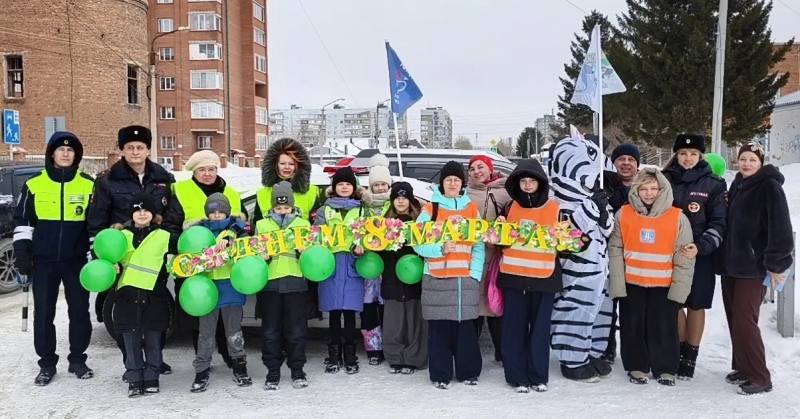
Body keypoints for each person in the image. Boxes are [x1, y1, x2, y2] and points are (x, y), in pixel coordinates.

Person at [13, 131, 94, 386]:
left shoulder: (88, 184)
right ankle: (47, 363)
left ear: (76, 156)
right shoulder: (34, 185)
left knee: (80, 312)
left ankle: (78, 359)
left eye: (71, 151)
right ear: (52, 154)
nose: (66, 153)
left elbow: (93, 225)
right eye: (61, 150)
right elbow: (23, 221)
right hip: (43, 261)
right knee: (44, 314)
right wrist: (23, 254)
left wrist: (95, 255)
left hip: (76, 260)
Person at [609, 168, 696, 387]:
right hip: (632, 283)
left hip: (663, 284)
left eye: (653, 189)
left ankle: (666, 368)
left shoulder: (678, 217)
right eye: (643, 189)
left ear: (662, 190)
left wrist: (679, 289)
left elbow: (684, 257)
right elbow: (615, 250)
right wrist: (618, 285)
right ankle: (637, 365)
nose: (649, 193)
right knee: (632, 325)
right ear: (636, 190)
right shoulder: (623, 214)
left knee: (664, 326)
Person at [719, 143, 793, 395]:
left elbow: (781, 228)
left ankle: (760, 376)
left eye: (752, 159)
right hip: (732, 265)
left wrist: (776, 263)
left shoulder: (769, 187)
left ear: (761, 162)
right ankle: (742, 367)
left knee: (744, 319)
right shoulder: (738, 183)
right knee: (733, 318)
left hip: (754, 266)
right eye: (743, 159)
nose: (746, 164)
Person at [88, 126, 174, 324]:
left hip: (154, 255)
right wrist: (100, 254)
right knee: (125, 314)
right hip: (123, 255)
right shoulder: (107, 180)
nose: (135, 152)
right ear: (122, 150)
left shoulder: (164, 179)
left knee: (156, 311)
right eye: (130, 147)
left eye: (140, 147)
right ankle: (130, 351)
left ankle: (153, 349)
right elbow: (96, 220)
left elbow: (170, 215)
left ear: (148, 150)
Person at [164, 150, 241, 368]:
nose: (207, 174)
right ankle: (203, 359)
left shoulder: (232, 193)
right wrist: (187, 248)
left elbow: (244, 227)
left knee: (226, 316)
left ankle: (229, 356)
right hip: (194, 266)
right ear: (194, 171)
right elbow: (171, 226)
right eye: (202, 170)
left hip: (225, 267)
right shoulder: (180, 191)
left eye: (211, 169)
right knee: (199, 316)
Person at [548, 132, 614, 382]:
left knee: (599, 310)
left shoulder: (597, 197)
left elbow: (608, 230)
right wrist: (590, 209)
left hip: (600, 267)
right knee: (575, 307)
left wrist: (604, 215)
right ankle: (573, 358)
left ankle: (591, 352)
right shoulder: (558, 203)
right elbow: (565, 239)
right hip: (577, 270)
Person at [414, 161, 485, 390]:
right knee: (440, 330)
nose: (452, 183)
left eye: (456, 179)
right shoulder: (430, 209)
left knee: (466, 330)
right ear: (441, 183)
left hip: (465, 279)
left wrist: (475, 273)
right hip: (437, 278)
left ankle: (468, 371)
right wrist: (438, 250)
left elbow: (479, 244)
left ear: (462, 183)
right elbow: (417, 243)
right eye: (448, 180)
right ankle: (440, 374)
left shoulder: (471, 208)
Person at [661, 134, 727, 380]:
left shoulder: (714, 183)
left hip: (700, 255)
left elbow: (720, 222)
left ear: (700, 156)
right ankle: (678, 351)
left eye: (693, 154)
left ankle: (691, 355)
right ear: (676, 155)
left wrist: (701, 246)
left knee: (696, 304)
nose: (687, 158)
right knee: (675, 302)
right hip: (669, 255)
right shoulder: (664, 180)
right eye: (682, 154)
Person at [498, 159, 561, 393]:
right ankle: (516, 376)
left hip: (544, 278)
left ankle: (538, 375)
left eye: (531, 180)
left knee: (540, 331)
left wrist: (577, 242)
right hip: (514, 278)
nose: (526, 185)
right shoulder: (508, 208)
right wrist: (499, 231)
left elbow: (566, 242)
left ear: (540, 183)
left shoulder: (555, 208)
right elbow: (499, 243)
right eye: (522, 181)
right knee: (514, 330)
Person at [111, 193, 175, 397]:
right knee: (130, 340)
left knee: (153, 338)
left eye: (146, 210)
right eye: (137, 210)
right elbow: (104, 255)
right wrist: (110, 264)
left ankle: (151, 376)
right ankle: (134, 377)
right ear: (131, 213)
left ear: (153, 214)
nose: (142, 213)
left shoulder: (164, 236)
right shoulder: (121, 236)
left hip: (154, 295)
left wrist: (173, 259)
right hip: (127, 296)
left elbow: (177, 259)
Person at [189, 193, 251, 392]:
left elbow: (249, 254)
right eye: (212, 212)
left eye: (221, 212)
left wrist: (233, 247)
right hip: (206, 289)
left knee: (233, 331)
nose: (216, 216)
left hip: (231, 286)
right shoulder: (197, 232)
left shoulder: (239, 231)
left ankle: (239, 366)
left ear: (227, 211)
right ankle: (201, 369)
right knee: (205, 333)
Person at [255, 181, 311, 390]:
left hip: (295, 281)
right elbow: (253, 253)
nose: (282, 211)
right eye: (278, 208)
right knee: (270, 331)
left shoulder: (303, 225)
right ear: (272, 207)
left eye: (286, 207)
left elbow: (312, 255)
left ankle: (297, 369)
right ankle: (273, 371)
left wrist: (302, 251)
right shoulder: (262, 225)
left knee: (296, 330)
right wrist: (263, 256)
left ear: (292, 206)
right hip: (270, 283)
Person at [314, 166, 367, 375]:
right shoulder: (324, 210)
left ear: (353, 187)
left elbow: (368, 234)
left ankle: (350, 354)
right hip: (331, 267)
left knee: (350, 314)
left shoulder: (362, 209)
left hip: (353, 267)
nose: (344, 187)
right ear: (334, 187)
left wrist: (361, 247)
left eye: (348, 184)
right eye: (340, 184)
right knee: (334, 313)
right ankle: (334, 355)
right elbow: (316, 236)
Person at [379, 182, 427, 375]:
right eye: (397, 197)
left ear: (410, 199)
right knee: (394, 322)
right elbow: (377, 251)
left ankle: (414, 358)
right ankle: (395, 357)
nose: (400, 201)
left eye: (404, 197)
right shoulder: (383, 222)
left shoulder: (421, 222)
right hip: (392, 278)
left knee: (415, 320)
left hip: (415, 278)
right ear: (392, 201)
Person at [466, 155, 511, 363]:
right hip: (472, 257)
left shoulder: (504, 191)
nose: (477, 171)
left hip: (495, 257)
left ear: (490, 169)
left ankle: (503, 352)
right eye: (472, 168)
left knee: (495, 303)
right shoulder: (465, 194)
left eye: (481, 167)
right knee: (473, 305)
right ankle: (470, 351)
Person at [601, 142, 641, 363]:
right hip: (608, 252)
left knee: (632, 306)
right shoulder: (604, 185)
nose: (626, 164)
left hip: (637, 253)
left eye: (631, 160)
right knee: (608, 302)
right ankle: (606, 346)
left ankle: (633, 351)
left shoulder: (645, 188)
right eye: (621, 160)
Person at [359, 155, 392, 366]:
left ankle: (389, 345)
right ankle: (373, 348)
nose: (380, 188)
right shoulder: (364, 206)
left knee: (388, 308)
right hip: (369, 264)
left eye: (383, 184)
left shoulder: (396, 203)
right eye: (376, 184)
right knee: (369, 307)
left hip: (390, 264)